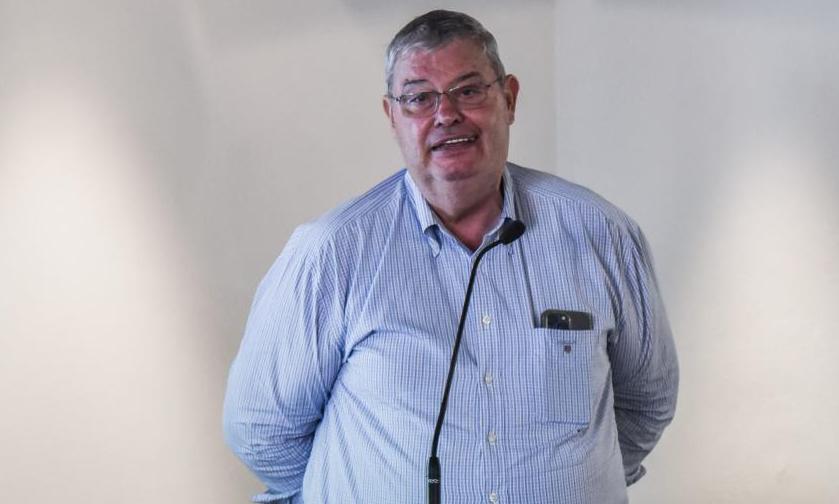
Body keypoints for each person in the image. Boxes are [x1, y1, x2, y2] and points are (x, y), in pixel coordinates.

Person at [224, 9, 678, 504]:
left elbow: (646, 402)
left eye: (468, 90)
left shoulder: (602, 234)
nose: (446, 114)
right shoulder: (330, 253)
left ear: (509, 99)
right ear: (392, 116)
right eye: (419, 98)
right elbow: (262, 432)